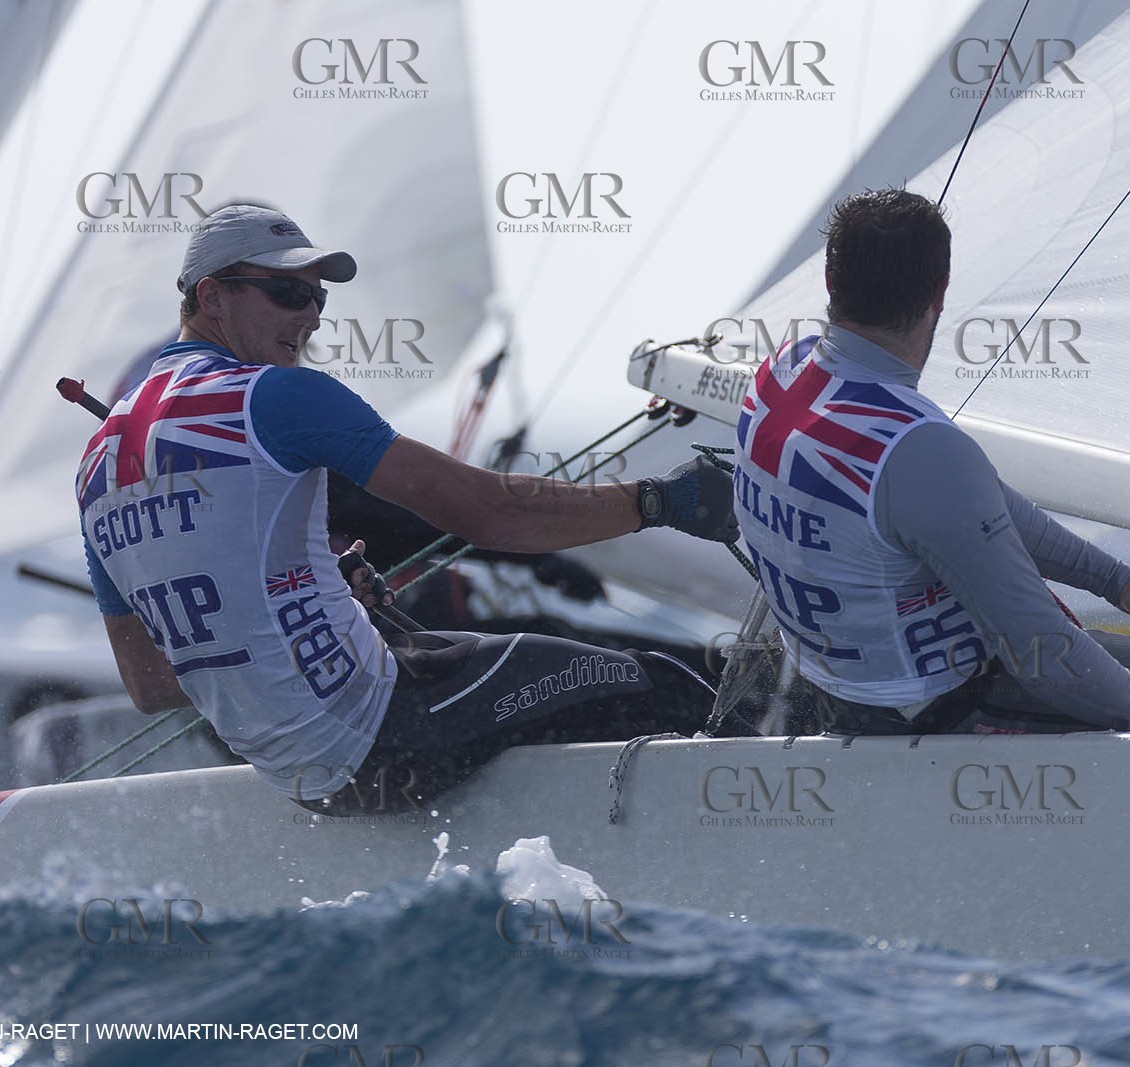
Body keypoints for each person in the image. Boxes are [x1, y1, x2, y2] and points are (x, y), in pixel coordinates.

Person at [76, 203, 738, 809]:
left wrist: (305, 598)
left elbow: (152, 683)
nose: (308, 317)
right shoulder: (275, 396)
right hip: (385, 734)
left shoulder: (95, 467)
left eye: (317, 297)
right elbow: (490, 513)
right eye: (286, 293)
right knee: (667, 685)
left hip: (309, 779)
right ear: (211, 295)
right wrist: (658, 500)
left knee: (512, 664)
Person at [733, 188, 1130, 736]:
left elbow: (972, 509)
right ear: (941, 292)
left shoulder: (780, 374)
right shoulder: (917, 449)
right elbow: (1043, 656)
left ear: (831, 282)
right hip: (942, 710)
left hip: (834, 692)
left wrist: (1119, 583)